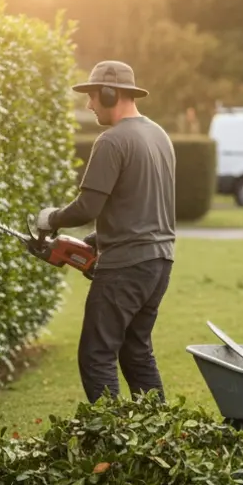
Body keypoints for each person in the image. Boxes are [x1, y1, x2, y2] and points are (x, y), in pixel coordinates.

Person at [36, 61, 176, 403]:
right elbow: (143, 203)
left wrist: (51, 219)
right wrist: (100, 240)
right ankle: (157, 440)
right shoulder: (158, 134)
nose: (88, 105)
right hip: (159, 263)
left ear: (111, 94)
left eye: (93, 96)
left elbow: (88, 208)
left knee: (96, 355)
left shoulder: (111, 141)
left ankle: (112, 439)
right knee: (135, 352)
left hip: (126, 268)